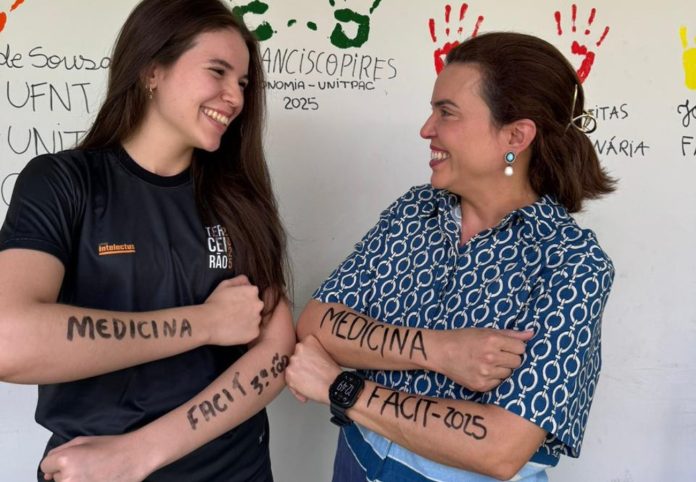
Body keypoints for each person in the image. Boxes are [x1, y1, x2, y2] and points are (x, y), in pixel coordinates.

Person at [286, 31, 616, 482]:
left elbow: (500, 448)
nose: (427, 129)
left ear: (516, 135)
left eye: (447, 112)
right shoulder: (415, 210)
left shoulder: (572, 263)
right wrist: (441, 351)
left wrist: (341, 387)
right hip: (355, 463)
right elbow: (317, 323)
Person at [0, 0, 294, 480]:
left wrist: (139, 453)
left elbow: (276, 350)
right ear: (151, 70)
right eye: (217, 71)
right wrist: (205, 323)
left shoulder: (239, 199)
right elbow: (9, 340)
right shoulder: (62, 182)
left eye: (242, 83)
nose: (235, 98)